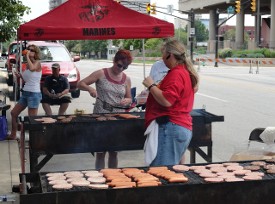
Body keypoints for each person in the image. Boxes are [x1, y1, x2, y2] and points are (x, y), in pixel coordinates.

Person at [142, 38, 199, 166]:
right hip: (179, 126)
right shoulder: (183, 72)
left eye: (163, 54)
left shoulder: (177, 74)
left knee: (162, 172)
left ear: (170, 55)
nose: (162, 58)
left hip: (171, 127)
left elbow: (167, 100)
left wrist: (151, 86)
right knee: (170, 170)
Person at [77, 49, 133, 169]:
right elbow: (80, 84)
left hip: (118, 118)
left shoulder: (126, 79)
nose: (121, 69)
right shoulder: (101, 73)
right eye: (119, 65)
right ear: (114, 60)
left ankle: (112, 177)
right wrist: (90, 89)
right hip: (101, 116)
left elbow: (129, 98)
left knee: (114, 152)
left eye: (125, 67)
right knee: (100, 152)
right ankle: (100, 178)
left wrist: (128, 100)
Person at [7, 44, 42, 140]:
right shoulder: (27, 64)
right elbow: (29, 79)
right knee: (14, 113)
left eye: (32, 50)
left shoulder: (37, 62)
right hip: (26, 93)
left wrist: (26, 55)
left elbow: (32, 69)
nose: (29, 51)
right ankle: (13, 134)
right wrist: (20, 76)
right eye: (28, 49)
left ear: (36, 53)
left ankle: (35, 139)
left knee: (32, 118)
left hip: (34, 94)